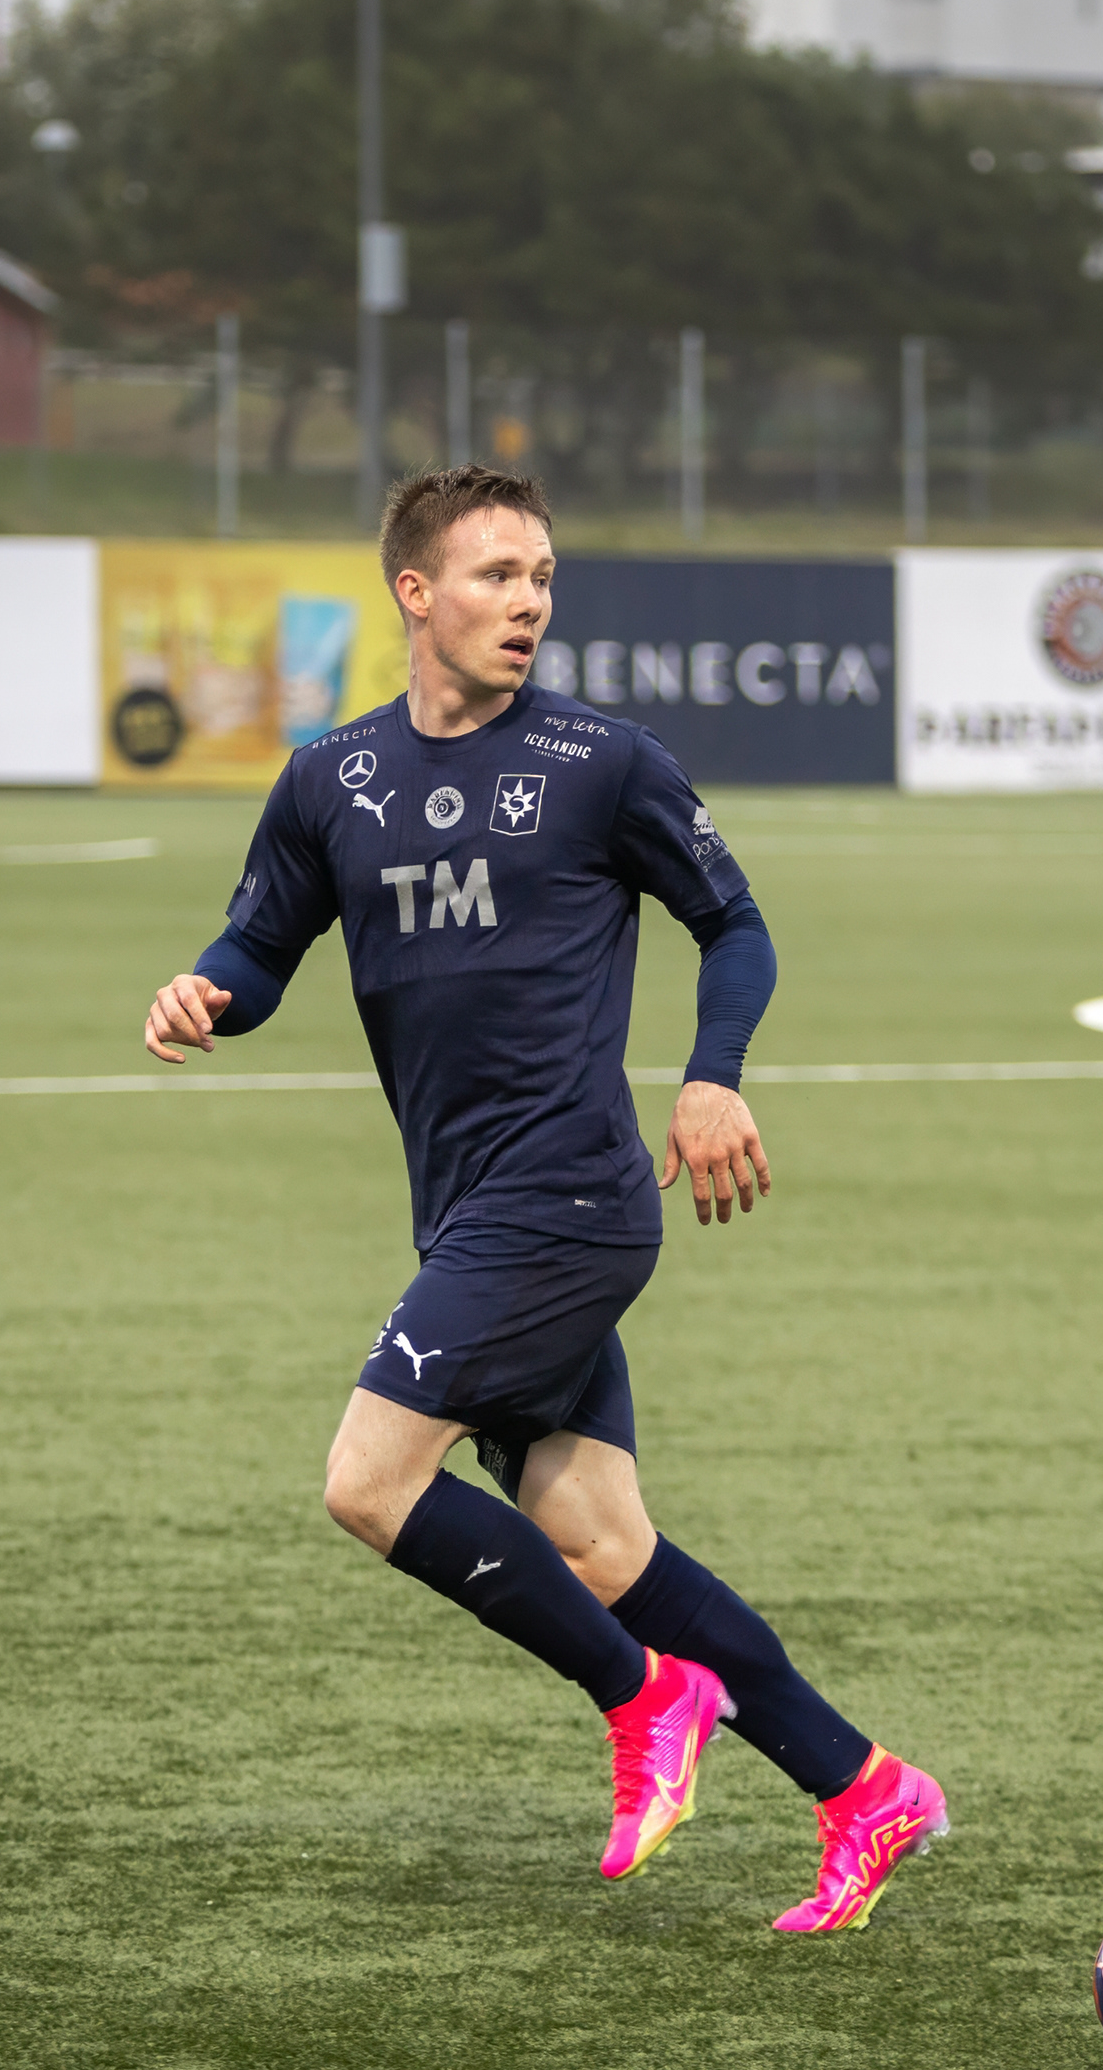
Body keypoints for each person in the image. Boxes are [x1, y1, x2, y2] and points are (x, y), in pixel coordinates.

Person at [139, 466, 947, 1933]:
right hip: (465, 1210)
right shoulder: (330, 779)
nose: (529, 602)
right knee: (602, 1545)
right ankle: (863, 1787)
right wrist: (206, 991)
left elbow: (735, 924)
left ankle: (643, 1701)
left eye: (543, 577)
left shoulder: (602, 762)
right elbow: (262, 946)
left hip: (567, 1197)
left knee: (367, 1483)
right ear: (415, 592)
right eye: (497, 574)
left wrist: (713, 1076)